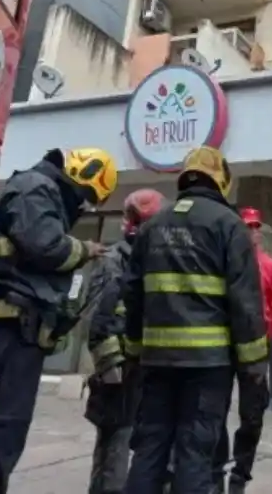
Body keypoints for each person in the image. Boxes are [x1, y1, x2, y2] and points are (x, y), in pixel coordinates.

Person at [122, 146, 268, 494]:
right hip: (208, 364)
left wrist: (135, 352)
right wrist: (253, 366)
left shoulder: (152, 225)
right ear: (221, 181)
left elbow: (133, 295)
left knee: (149, 449)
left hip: (157, 361)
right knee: (195, 453)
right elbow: (245, 302)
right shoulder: (228, 226)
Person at [0, 148, 118, 494]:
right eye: (88, 198)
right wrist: (84, 250)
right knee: (4, 428)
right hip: (11, 330)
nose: (84, 206)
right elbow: (45, 247)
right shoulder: (36, 188)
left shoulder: (35, 187)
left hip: (14, 328)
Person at [84, 188, 165, 494]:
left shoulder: (148, 260)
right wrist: (113, 369)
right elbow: (97, 324)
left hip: (143, 368)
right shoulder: (114, 261)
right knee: (114, 449)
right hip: (120, 373)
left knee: (131, 447)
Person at [211, 207, 272, 494]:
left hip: (255, 348)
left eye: (256, 227)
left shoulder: (268, 266)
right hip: (224, 345)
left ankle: (240, 475)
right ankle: (215, 473)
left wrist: (265, 338)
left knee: (252, 414)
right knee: (216, 410)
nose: (252, 232)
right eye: (247, 227)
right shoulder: (224, 262)